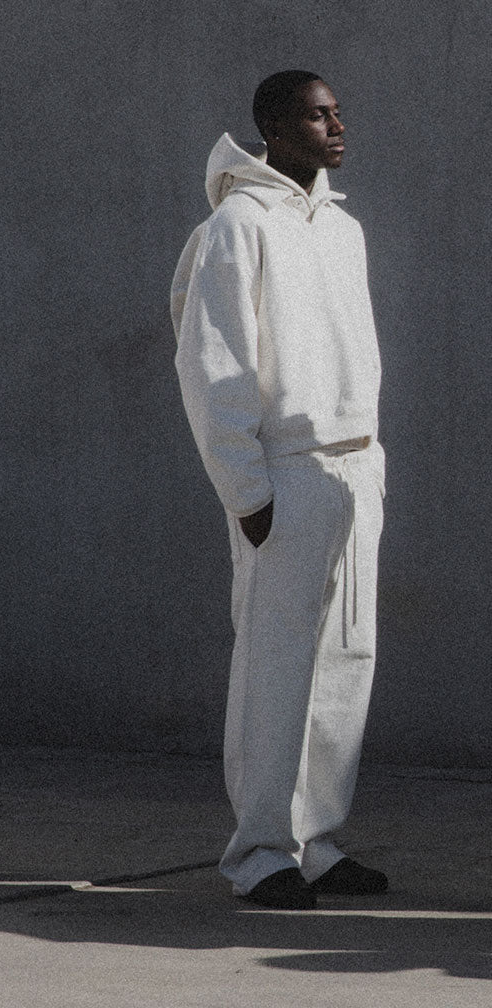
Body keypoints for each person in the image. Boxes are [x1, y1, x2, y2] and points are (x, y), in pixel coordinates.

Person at [171, 71, 388, 910]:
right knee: (275, 666)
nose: (336, 125)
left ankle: (318, 842)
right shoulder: (235, 226)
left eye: (337, 112)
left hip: (353, 467)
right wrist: (246, 492)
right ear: (272, 127)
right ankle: (260, 852)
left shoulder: (342, 227)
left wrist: (371, 463)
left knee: (345, 662)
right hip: (286, 474)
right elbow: (213, 364)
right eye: (316, 115)